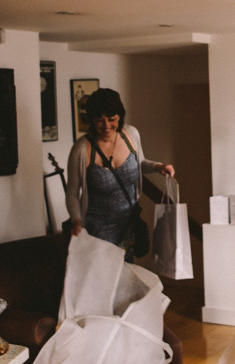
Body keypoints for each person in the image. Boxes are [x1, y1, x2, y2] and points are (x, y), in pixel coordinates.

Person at [65, 88, 174, 256]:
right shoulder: (81, 150)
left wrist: (158, 167)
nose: (106, 125)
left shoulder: (131, 134)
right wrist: (76, 220)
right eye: (99, 120)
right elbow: (72, 193)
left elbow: (140, 164)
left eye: (111, 119)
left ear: (120, 117)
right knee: (104, 279)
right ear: (92, 120)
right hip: (98, 232)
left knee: (127, 277)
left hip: (128, 226)